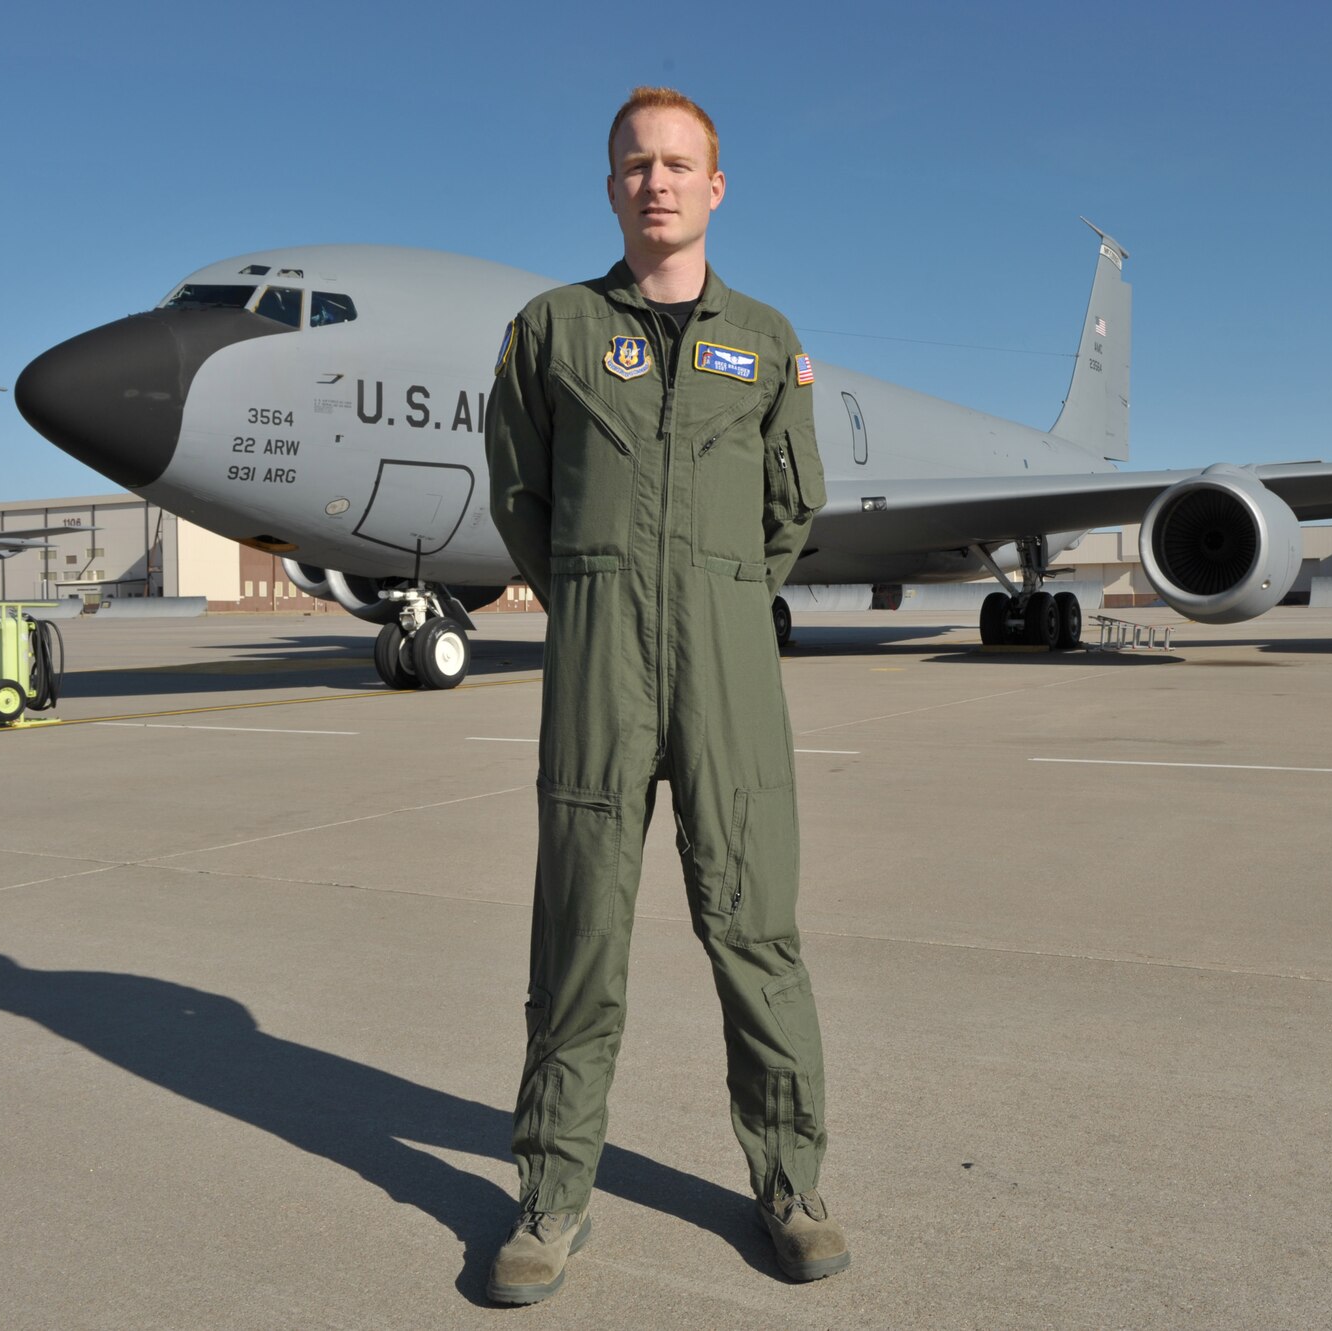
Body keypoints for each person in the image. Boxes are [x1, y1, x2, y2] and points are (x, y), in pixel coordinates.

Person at [481, 87, 843, 1305]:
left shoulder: (765, 336)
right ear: (610, 187)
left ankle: (789, 1182)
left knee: (754, 928)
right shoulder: (553, 331)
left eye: (679, 164)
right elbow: (518, 495)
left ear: (716, 186)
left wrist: (719, 594)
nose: (657, 182)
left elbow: (792, 507)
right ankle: (549, 1195)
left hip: (727, 662)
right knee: (578, 929)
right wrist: (595, 590)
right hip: (597, 662)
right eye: (635, 164)